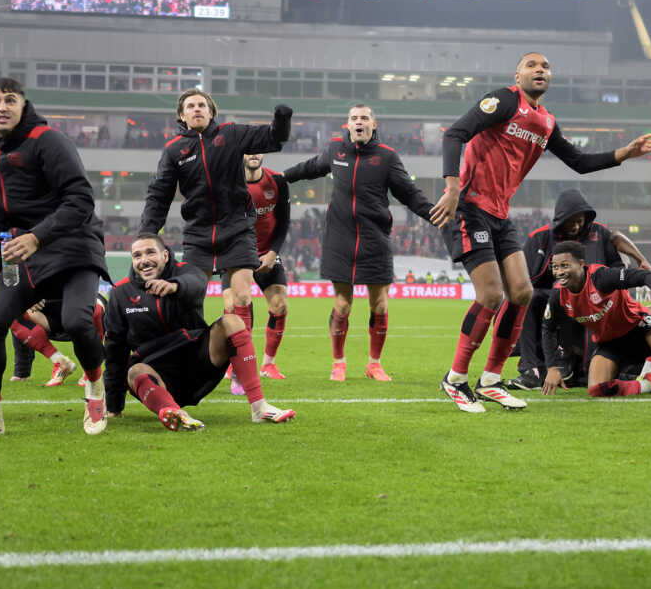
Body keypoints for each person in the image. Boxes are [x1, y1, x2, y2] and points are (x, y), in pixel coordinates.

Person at [430, 51, 651, 412]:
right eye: (532, 65)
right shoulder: (505, 100)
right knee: (490, 295)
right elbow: (455, 134)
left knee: (521, 293)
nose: (540, 70)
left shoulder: (546, 122)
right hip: (470, 209)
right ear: (517, 74)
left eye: (546, 66)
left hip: (501, 216)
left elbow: (579, 163)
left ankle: (490, 379)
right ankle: (455, 379)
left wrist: (623, 153)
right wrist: (453, 187)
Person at [0, 78, 110, 439]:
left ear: (22, 105)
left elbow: (80, 200)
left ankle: (95, 388)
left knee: (78, 322)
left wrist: (36, 236)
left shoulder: (48, 140)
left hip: (74, 246)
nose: (2, 107)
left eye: (10, 100)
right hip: (22, 253)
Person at [286, 104, 434, 381]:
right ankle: (338, 362)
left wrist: (436, 215)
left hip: (374, 237)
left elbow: (410, 194)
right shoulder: (335, 150)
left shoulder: (387, 157)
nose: (359, 122)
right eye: (354, 118)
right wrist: (281, 177)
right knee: (342, 305)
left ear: (373, 125)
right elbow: (310, 168)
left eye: (364, 118)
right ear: (348, 124)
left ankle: (374, 364)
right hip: (339, 237)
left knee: (379, 304)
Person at [139, 89, 292, 343]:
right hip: (198, 233)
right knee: (188, 297)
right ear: (182, 115)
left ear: (211, 113)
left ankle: (240, 370)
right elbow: (158, 196)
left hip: (237, 229)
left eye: (202, 105)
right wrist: (147, 234)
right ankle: (194, 357)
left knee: (242, 296)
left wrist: (282, 118)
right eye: (190, 106)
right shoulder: (174, 151)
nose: (197, 109)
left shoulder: (230, 134)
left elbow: (273, 139)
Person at [104, 235, 295, 428]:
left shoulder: (186, 272)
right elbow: (115, 348)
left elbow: (196, 283)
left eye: (150, 252)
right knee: (134, 370)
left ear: (165, 256)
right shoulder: (121, 293)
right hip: (158, 375)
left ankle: (259, 408)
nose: (144, 260)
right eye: (137, 256)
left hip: (197, 363)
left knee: (232, 322)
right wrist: (114, 405)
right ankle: (174, 413)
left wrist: (175, 286)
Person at [511, 188, 651, 390]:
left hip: (598, 304)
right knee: (530, 300)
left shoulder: (601, 233)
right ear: (561, 218)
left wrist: (636, 264)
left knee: (590, 376)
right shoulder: (541, 237)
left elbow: (617, 269)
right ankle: (530, 371)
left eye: (580, 221)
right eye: (572, 221)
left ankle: (577, 365)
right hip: (559, 303)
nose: (577, 226)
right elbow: (525, 280)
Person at [541, 241, 651, 398]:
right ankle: (650, 384)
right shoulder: (558, 296)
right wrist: (552, 368)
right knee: (596, 390)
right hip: (611, 342)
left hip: (640, 329)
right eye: (555, 267)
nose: (559, 272)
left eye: (564, 266)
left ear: (581, 264)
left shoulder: (601, 278)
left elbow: (645, 276)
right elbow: (547, 329)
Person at [244, 153, 291, 380]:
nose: (254, 154)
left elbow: (284, 221)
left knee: (279, 305)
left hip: (267, 254)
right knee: (237, 310)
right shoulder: (229, 181)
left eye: (258, 149)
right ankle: (235, 363)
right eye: (249, 149)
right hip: (238, 253)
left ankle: (268, 364)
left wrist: (273, 253)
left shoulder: (277, 181)